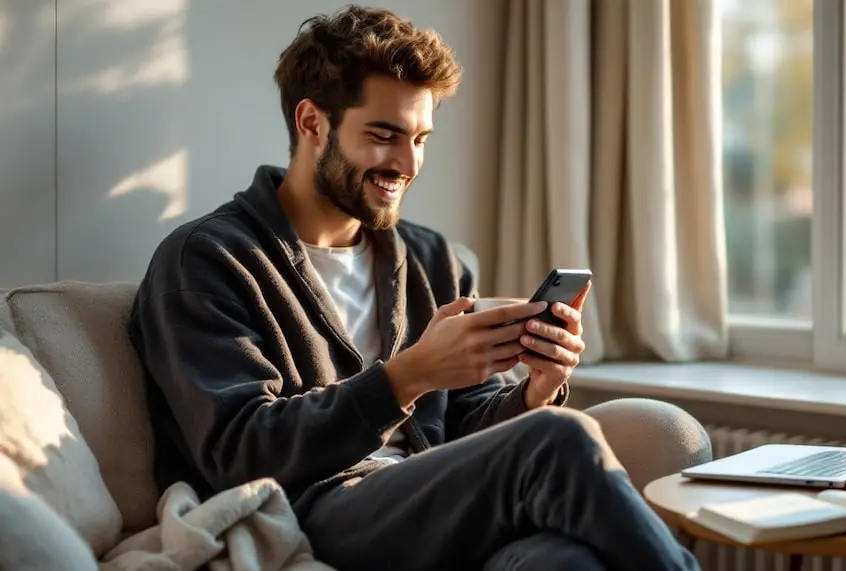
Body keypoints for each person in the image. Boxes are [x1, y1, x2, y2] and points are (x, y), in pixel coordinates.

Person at [128, 5, 700, 571]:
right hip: (309, 509)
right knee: (561, 438)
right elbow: (239, 451)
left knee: (563, 560)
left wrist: (535, 392)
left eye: (421, 138)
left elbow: (467, 418)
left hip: (429, 504)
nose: (407, 162)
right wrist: (410, 375)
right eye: (385, 135)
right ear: (312, 123)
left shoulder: (431, 259)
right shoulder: (209, 259)